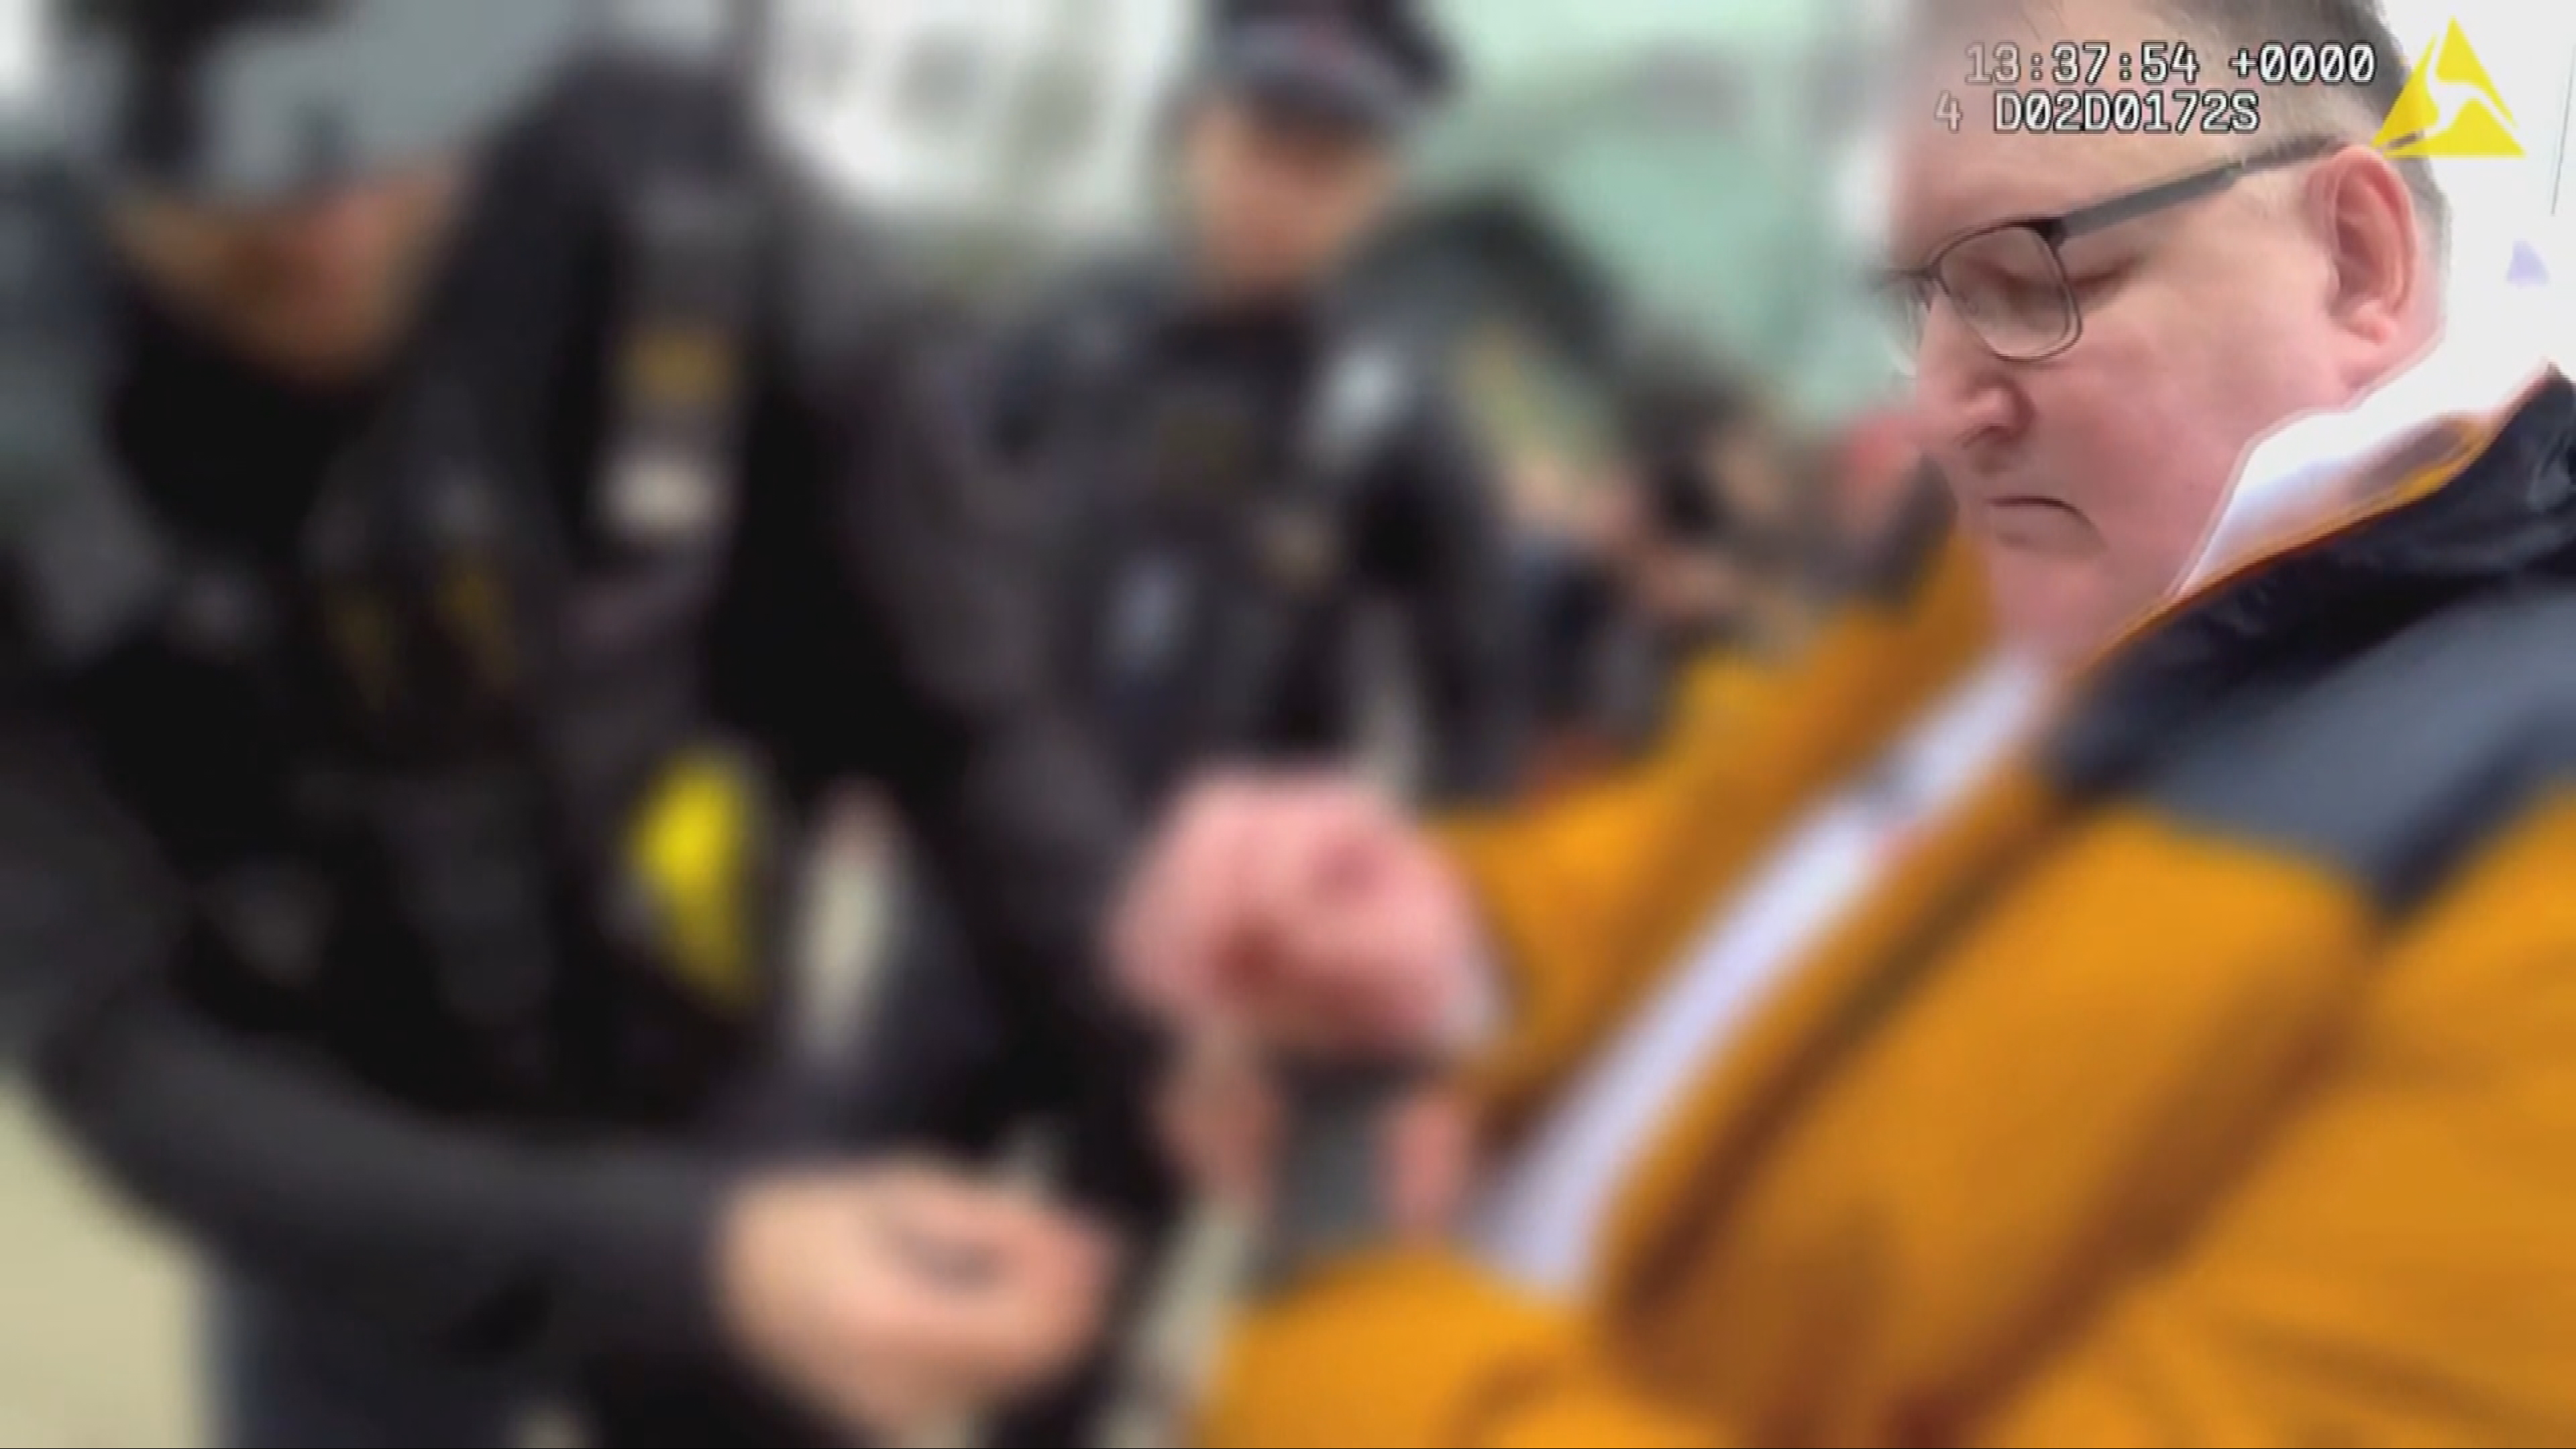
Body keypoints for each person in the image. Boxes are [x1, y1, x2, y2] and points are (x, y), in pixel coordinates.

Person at [1108, 0, 2576, 1443]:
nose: (1942, 405)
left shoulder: (2531, 833)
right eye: (1925, 304)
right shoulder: (2014, 569)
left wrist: (1347, 1330)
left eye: (2030, 280)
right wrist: (1452, 945)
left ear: (2357, 260)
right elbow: (1719, 861)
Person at [1, 5, 1134, 1445]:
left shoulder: (679, 186)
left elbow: (962, 699)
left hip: (708, 1095)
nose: (338, 223)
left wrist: (1150, 1014)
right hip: (353, 1203)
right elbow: (111, 1046)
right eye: (246, 174)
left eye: (394, 120)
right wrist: (689, 1263)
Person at [805, 0, 1525, 1401]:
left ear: (1378, 191)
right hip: (978, 899)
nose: (1278, 190)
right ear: (1196, 132)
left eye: (1325, 164)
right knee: (862, 1258)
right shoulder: (1071, 328)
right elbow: (909, 535)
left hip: (1197, 978)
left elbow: (1480, 686)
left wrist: (1411, 928)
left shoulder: (1390, 417)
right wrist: (857, 747)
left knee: (1077, 1321)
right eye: (1260, 142)